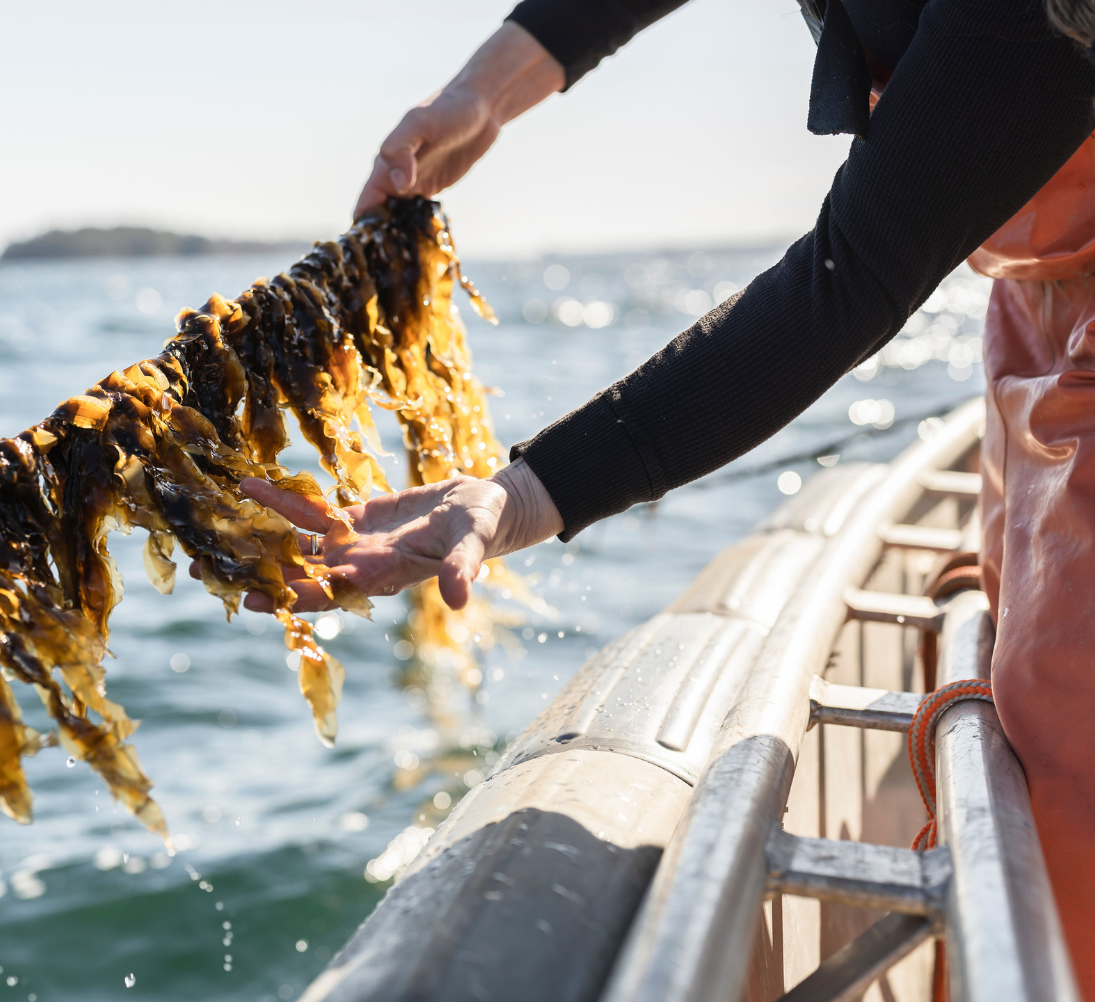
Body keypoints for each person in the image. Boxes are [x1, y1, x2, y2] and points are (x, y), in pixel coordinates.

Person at [235, 0, 1095, 987]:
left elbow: (846, 278)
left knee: (1070, 792)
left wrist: (521, 495)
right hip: (1040, 299)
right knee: (1017, 672)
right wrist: (486, 88)